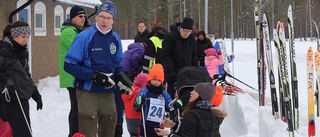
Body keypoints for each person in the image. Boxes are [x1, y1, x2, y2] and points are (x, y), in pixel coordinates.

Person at [64, 1, 130, 137]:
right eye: (101, 16)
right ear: (96, 17)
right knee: (87, 132)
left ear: (113, 20)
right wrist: (94, 76)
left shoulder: (116, 39)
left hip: (108, 94)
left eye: (108, 18)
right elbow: (69, 65)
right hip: (88, 93)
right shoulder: (84, 37)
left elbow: (118, 65)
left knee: (109, 130)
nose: (104, 21)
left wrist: (122, 77)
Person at [0, 21, 43, 137]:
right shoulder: (5, 51)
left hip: (22, 97)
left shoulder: (22, 51)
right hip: (9, 98)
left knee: (24, 131)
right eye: (23, 37)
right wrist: (5, 80)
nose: (26, 40)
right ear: (14, 35)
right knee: (21, 132)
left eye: (28, 37)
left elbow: (25, 75)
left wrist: (35, 94)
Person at [58, 5, 86, 137]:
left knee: (76, 107)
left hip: (74, 75)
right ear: (72, 17)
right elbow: (79, 51)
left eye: (84, 16)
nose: (83, 19)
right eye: (80, 16)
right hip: (71, 76)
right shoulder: (68, 32)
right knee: (76, 108)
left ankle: (74, 133)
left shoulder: (75, 30)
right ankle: (74, 133)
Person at [134, 64, 182, 137]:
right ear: (150, 79)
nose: (156, 82)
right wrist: (138, 103)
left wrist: (176, 104)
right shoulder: (144, 92)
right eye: (154, 79)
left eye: (159, 80)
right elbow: (137, 108)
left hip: (159, 125)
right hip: (146, 125)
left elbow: (169, 107)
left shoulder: (164, 94)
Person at [162, 16, 198, 100]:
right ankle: (171, 109)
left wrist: (195, 69)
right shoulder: (170, 37)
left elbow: (193, 55)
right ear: (180, 28)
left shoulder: (191, 38)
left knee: (186, 93)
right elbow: (165, 55)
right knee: (172, 92)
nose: (186, 33)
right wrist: (170, 71)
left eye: (188, 31)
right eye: (184, 31)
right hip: (173, 70)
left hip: (187, 71)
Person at [122, 73, 148, 137]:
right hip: (137, 118)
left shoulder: (130, 90)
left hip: (129, 118)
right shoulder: (141, 92)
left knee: (133, 134)